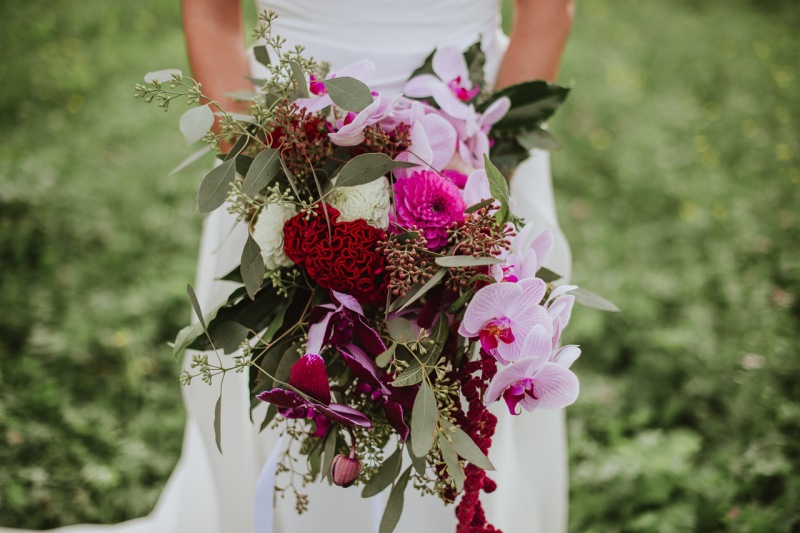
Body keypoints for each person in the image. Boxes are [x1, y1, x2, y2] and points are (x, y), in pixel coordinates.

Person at [0, 1, 574, 531]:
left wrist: (476, 198)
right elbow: (210, 13)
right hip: (289, 157)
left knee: (462, 425)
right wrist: (271, 191)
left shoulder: (476, 190)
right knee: (286, 420)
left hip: (472, 159)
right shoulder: (278, 191)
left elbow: (549, 11)